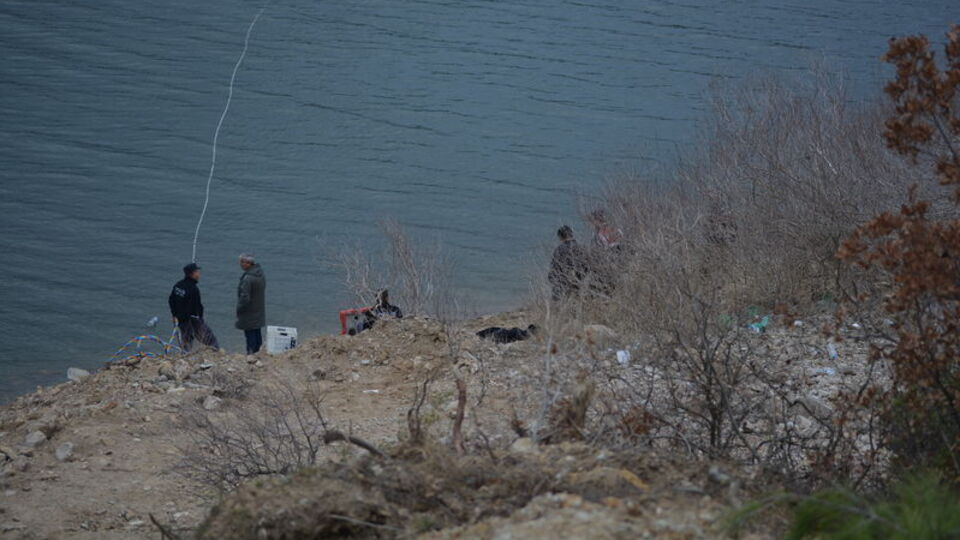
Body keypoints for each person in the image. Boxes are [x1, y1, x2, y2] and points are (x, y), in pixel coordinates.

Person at [168, 263, 219, 351]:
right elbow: (197, 306)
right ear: (192, 274)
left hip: (180, 319)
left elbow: (171, 300)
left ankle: (186, 353)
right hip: (192, 319)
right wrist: (200, 318)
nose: (199, 274)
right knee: (209, 339)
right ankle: (216, 352)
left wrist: (174, 315)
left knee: (186, 340)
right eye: (197, 272)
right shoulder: (193, 289)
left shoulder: (178, 285)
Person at [235, 253, 266, 354]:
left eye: (242, 262)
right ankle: (258, 353)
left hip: (249, 312)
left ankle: (250, 354)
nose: (240, 264)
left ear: (248, 263)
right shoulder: (260, 274)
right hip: (258, 309)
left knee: (250, 335)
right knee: (257, 333)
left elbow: (245, 297)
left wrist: (239, 308)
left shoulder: (248, 278)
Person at [548, 225, 587, 300]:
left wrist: (551, 278)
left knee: (559, 301)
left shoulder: (559, 250)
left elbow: (554, 267)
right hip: (577, 281)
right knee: (575, 300)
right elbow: (585, 266)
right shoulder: (581, 248)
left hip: (561, 282)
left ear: (560, 237)